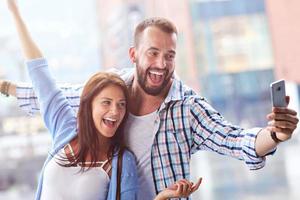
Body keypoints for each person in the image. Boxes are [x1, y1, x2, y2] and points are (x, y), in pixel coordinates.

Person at [1, 2, 298, 200]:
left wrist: (275, 134)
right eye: (152, 53)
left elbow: (235, 140)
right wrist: (7, 86)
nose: (161, 63)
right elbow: (53, 92)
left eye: (169, 56)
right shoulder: (112, 87)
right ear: (134, 55)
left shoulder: (187, 109)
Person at [3, 0, 202, 199]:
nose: (115, 111)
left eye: (121, 105)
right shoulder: (65, 129)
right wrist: (15, 13)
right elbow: (40, 75)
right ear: (89, 105)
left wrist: (163, 196)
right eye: (106, 103)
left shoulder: (123, 163)